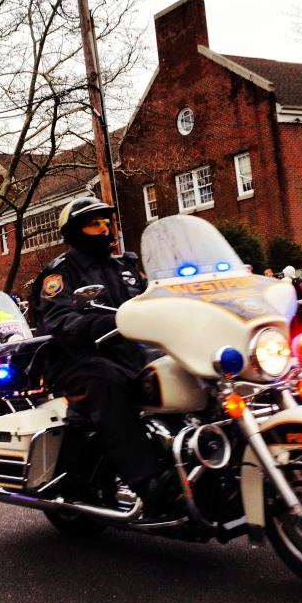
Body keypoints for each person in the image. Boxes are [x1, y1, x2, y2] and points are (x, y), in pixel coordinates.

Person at [33, 195, 180, 516]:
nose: (102, 228)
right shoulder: (60, 274)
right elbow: (58, 319)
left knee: (183, 373)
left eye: (105, 221)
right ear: (74, 231)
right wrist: (104, 321)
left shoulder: (124, 267)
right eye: (92, 223)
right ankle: (149, 483)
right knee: (109, 384)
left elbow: (154, 296)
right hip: (80, 361)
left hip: (131, 353)